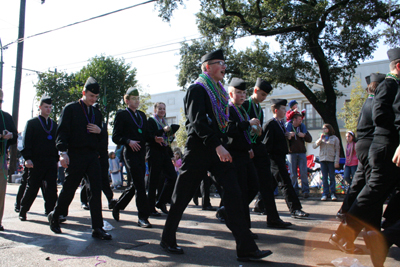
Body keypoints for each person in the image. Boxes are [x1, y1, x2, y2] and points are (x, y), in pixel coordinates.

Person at [160, 49, 272, 262]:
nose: (224, 67)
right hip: (199, 150)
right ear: (207, 67)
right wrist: (217, 146)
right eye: (220, 63)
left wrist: (231, 137)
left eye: (224, 62)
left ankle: (246, 247)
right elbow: (198, 122)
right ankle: (167, 238)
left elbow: (224, 123)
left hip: (218, 149)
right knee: (181, 197)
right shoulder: (197, 89)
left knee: (234, 194)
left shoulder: (220, 92)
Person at [330, 48, 400, 254]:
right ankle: (344, 234)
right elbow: (380, 115)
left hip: (385, 147)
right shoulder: (389, 84)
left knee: (376, 194)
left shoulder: (391, 84)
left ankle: (387, 230)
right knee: (372, 194)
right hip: (385, 147)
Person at [47, 77, 111, 240]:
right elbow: (62, 132)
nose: (94, 99)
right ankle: (55, 215)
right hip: (75, 154)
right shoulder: (71, 109)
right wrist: (63, 152)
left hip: (92, 156)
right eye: (91, 96)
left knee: (95, 191)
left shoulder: (97, 113)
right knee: (69, 188)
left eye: (96, 97)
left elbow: (102, 139)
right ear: (84, 93)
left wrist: (100, 131)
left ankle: (97, 227)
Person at [243, 78, 292, 228]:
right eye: (262, 94)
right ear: (255, 91)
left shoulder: (259, 108)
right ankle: (229, 210)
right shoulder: (245, 105)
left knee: (266, 183)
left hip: (258, 147)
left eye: (266, 95)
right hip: (247, 148)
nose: (264, 98)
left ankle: (273, 218)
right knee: (249, 185)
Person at [337, 73, 386, 220]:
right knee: (372, 186)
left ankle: (344, 210)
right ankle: (367, 221)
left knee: (358, 182)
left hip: (362, 145)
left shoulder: (367, 102)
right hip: (371, 145)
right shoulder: (376, 102)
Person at [111, 87, 153, 228]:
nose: (137, 101)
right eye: (133, 99)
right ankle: (143, 217)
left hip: (141, 154)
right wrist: (128, 141)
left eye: (138, 98)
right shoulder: (121, 115)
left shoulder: (142, 115)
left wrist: (156, 138)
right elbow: (116, 137)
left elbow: (146, 135)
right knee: (141, 186)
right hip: (130, 154)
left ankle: (118, 205)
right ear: (127, 100)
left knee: (137, 184)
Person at [262, 99, 309, 219]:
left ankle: (260, 204)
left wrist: (286, 136)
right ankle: (295, 209)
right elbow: (267, 144)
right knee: (286, 182)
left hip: (281, 157)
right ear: (276, 110)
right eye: (283, 109)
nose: (285, 111)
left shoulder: (281, 124)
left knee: (271, 184)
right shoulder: (270, 124)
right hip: (274, 158)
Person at [226, 77, 260, 238]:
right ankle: (244, 228)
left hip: (245, 153)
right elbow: (230, 130)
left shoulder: (242, 110)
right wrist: (248, 124)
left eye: (244, 93)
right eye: (238, 92)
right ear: (231, 94)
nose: (242, 95)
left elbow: (244, 133)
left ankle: (228, 211)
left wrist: (249, 147)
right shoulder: (228, 109)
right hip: (234, 155)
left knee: (253, 186)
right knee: (242, 191)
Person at [19, 96, 59, 221]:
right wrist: (27, 158)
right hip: (36, 161)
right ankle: (23, 210)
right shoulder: (32, 123)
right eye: (46, 107)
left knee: (51, 188)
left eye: (50, 107)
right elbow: (27, 142)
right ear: (40, 107)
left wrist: (57, 158)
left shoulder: (54, 125)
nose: (48, 109)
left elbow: (57, 143)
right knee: (32, 187)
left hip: (51, 161)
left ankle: (51, 212)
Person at [146, 102, 179, 216]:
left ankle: (161, 201)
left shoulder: (164, 122)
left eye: (163, 109)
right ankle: (150, 208)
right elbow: (149, 136)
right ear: (155, 110)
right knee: (153, 181)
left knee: (173, 177)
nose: (162, 110)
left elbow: (167, 141)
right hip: (154, 153)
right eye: (159, 108)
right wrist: (163, 131)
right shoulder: (151, 121)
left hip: (164, 153)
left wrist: (171, 155)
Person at [0, 89, 18, 231]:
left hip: (1, 158)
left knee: (1, 191)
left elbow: (15, 137)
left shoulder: (6, 117)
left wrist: (10, 135)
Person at [286, 113, 312, 198]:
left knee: (303, 172)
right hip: (291, 153)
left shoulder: (302, 128)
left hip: (302, 153)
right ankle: (294, 191)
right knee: (293, 173)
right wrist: (289, 135)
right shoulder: (288, 127)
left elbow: (310, 139)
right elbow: (284, 138)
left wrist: (304, 135)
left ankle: (305, 191)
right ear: (294, 120)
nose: (301, 120)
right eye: (299, 119)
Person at [312, 124, 340, 201]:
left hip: (331, 160)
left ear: (329, 129)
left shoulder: (335, 138)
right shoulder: (321, 137)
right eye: (323, 128)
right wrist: (320, 139)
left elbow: (337, 150)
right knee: (324, 178)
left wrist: (336, 161)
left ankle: (333, 193)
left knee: (332, 177)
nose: (323, 130)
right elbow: (314, 146)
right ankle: (325, 193)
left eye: (325, 128)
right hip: (323, 160)